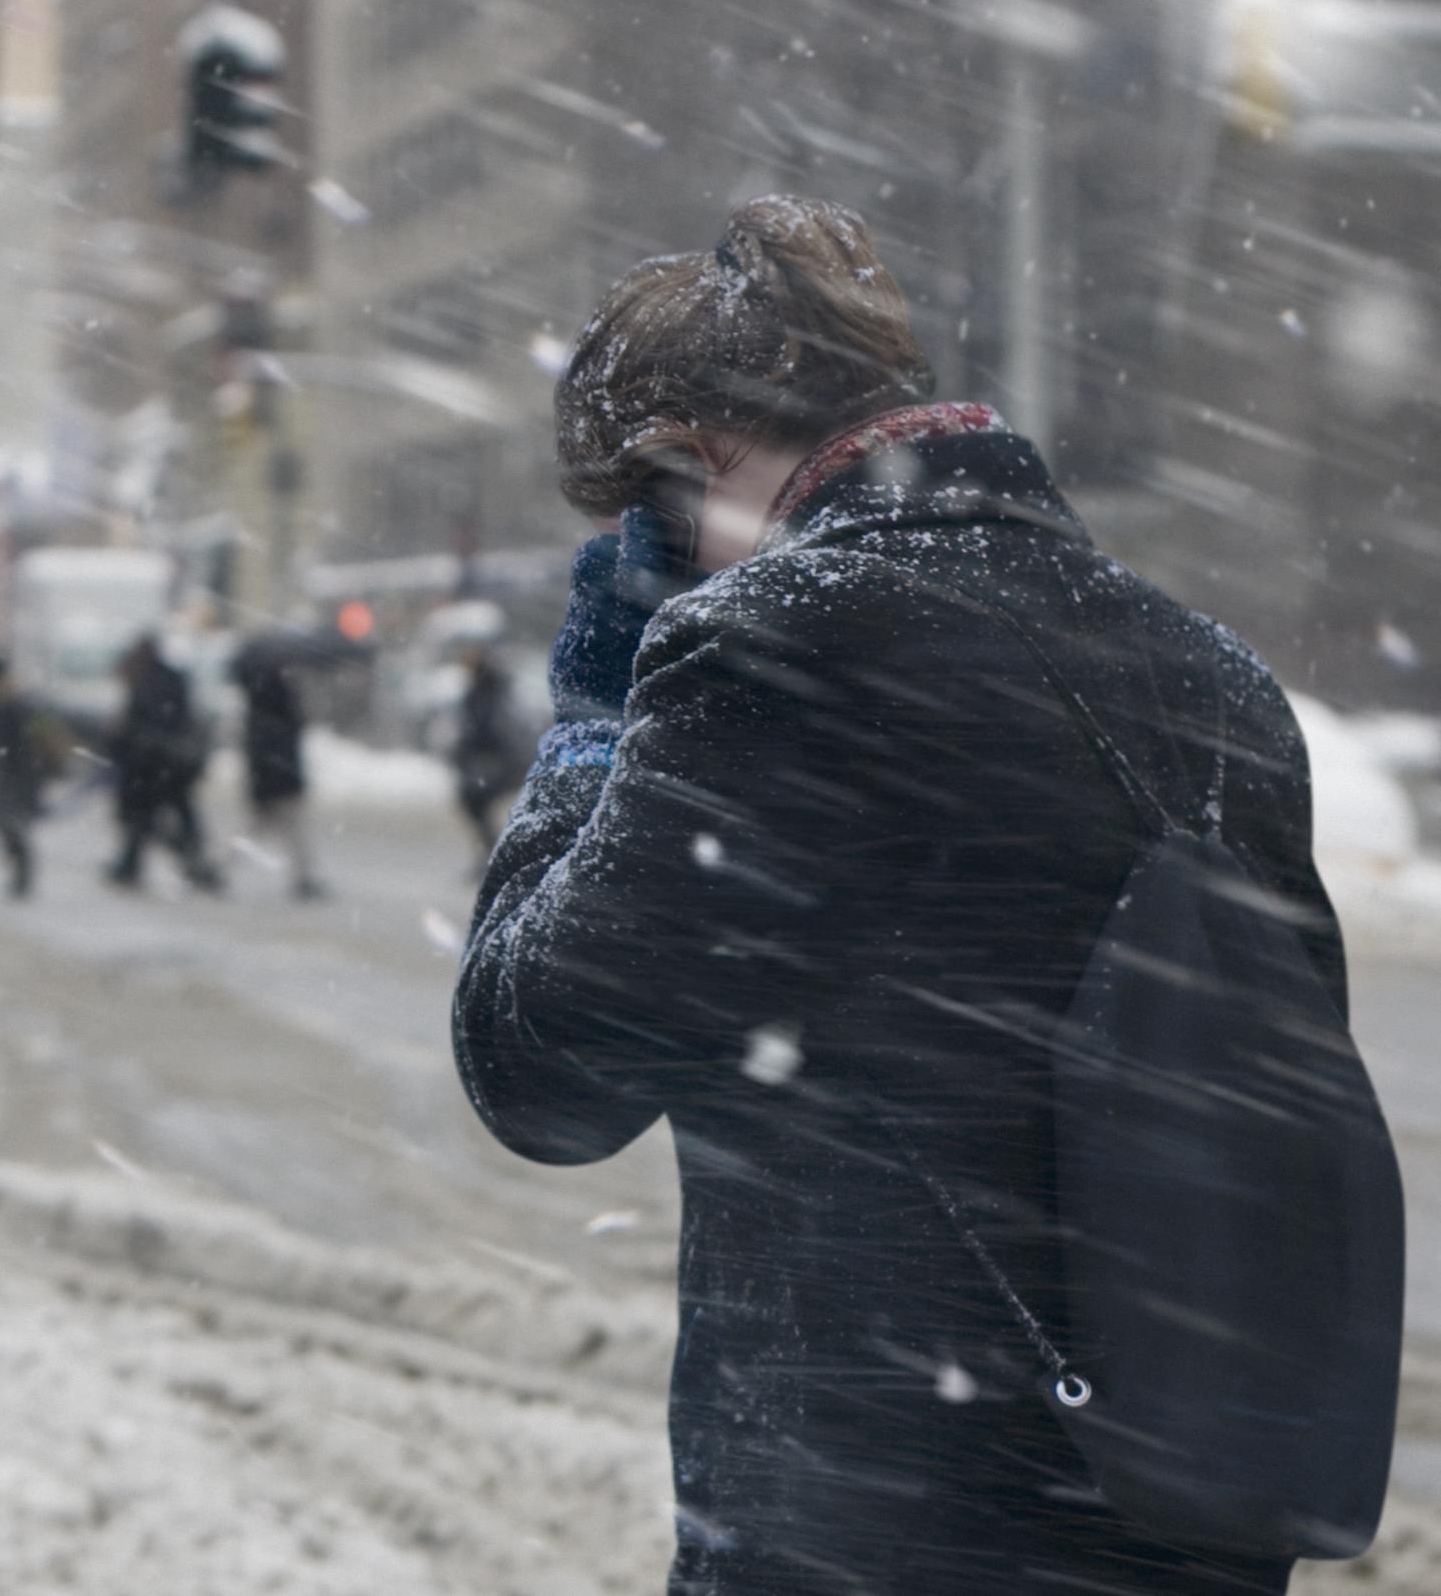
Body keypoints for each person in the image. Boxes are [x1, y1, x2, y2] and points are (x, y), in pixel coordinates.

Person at [453, 196, 1339, 1595]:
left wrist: (588, 716)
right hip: (1179, 1506)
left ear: (694, 460)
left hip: (873, 1528)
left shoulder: (774, 654)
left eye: (643, 511)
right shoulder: (1213, 678)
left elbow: (538, 1072)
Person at [104, 634, 222, 893]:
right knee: (163, 820)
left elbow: (145, 724)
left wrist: (126, 742)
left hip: (154, 766)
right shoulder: (167, 679)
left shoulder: (149, 683)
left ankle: (184, 865)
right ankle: (189, 864)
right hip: (168, 765)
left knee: (146, 820)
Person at [233, 647, 324, 899]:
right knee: (289, 831)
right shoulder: (276, 708)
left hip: (272, 780)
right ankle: (304, 878)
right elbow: (277, 747)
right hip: (280, 780)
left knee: (259, 830)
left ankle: (223, 867)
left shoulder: (258, 708)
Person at [0, 655, 50, 898]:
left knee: (10, 825)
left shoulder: (11, 705)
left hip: (17, 776)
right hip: (15, 775)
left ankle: (22, 878)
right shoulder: (13, 702)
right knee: (8, 824)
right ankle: (20, 876)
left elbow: (20, 746)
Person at [448, 644, 518, 864]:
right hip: (486, 760)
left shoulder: (486, 694)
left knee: (475, 804)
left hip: (488, 761)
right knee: (476, 806)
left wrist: (467, 749)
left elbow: (485, 729)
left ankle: (494, 855)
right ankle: (492, 855)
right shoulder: (489, 691)